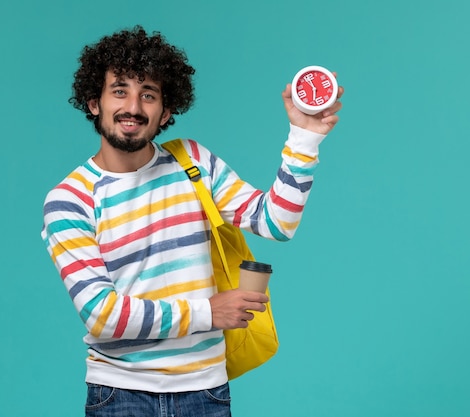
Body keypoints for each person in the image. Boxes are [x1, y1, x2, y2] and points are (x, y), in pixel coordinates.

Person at [41, 25, 343, 417]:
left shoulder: (192, 162)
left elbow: (275, 223)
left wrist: (304, 139)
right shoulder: (69, 199)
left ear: (165, 111)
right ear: (94, 102)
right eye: (119, 90)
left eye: (147, 94)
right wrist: (208, 312)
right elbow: (103, 314)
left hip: (206, 393)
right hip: (120, 396)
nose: (133, 106)